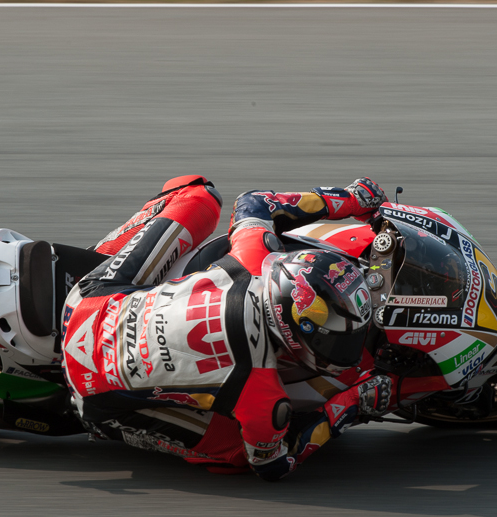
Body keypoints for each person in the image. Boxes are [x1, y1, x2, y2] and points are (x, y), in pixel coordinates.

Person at [60, 175, 392, 480]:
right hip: (91, 393)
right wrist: (349, 404)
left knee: (197, 193)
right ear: (290, 336)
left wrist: (350, 199)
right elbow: (273, 463)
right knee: (237, 456)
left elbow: (253, 202)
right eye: (332, 338)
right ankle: (113, 429)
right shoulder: (261, 391)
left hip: (88, 302)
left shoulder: (252, 259)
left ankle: (104, 255)